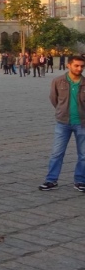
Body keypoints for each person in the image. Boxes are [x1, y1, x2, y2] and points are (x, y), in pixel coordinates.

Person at [39, 55, 85, 192]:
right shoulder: (58, 81)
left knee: (83, 155)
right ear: (68, 65)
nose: (79, 68)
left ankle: (80, 181)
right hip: (63, 123)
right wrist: (61, 111)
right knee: (57, 153)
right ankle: (51, 180)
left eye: (82, 66)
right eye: (76, 65)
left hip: (82, 123)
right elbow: (54, 99)